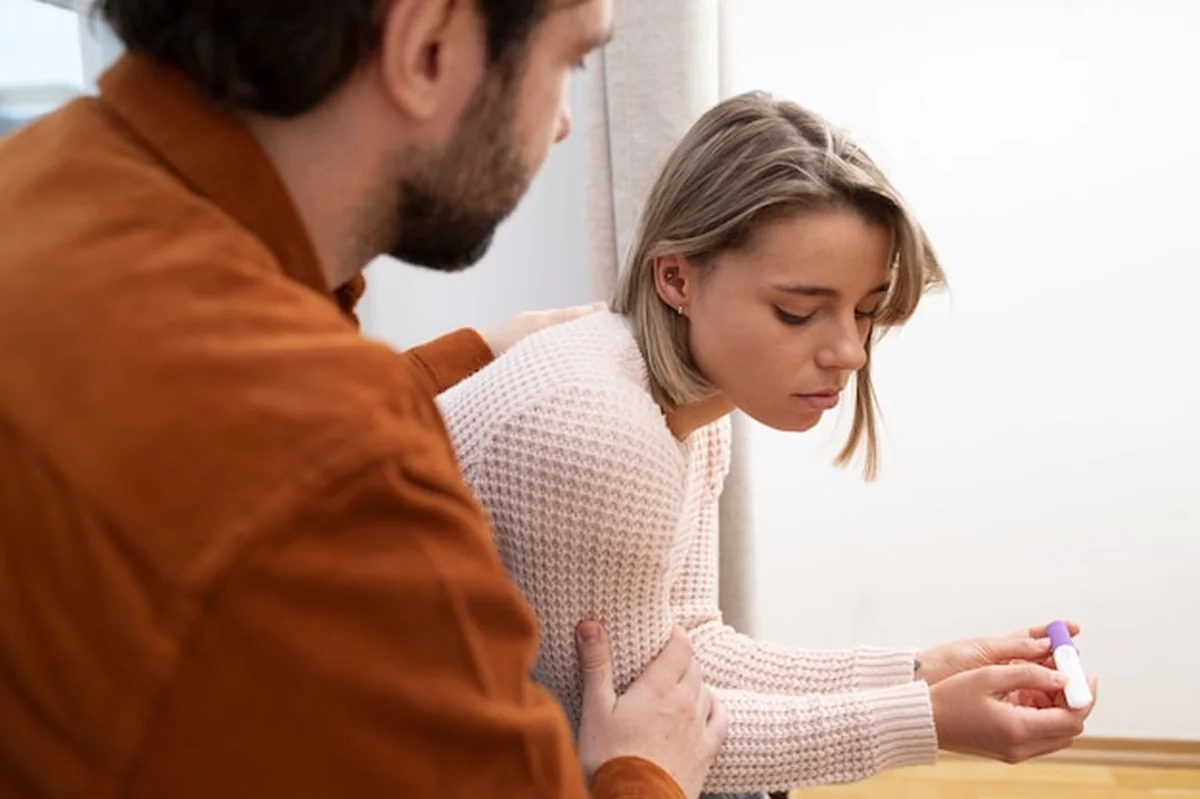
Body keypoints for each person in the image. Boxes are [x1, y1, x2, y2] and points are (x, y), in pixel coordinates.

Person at [0, 1, 731, 798]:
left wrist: (465, 356)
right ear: (426, 45)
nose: (560, 124)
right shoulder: (340, 474)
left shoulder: (44, 173)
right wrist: (644, 772)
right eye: (569, 64)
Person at [435, 91, 1100, 798]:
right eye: (799, 312)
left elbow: (689, 655)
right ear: (677, 277)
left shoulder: (697, 412)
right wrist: (927, 719)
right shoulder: (603, 432)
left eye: (865, 311)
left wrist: (923, 670)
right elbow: (627, 746)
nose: (849, 351)